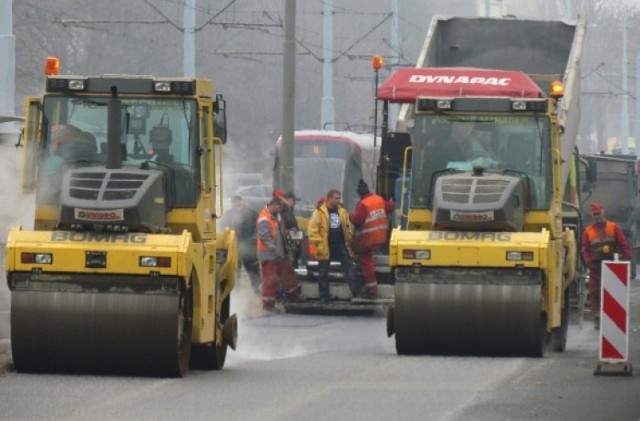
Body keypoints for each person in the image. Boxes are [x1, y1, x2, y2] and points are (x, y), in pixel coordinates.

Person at [581, 202, 631, 330]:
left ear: (603, 213)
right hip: (595, 265)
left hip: (612, 264)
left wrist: (626, 258)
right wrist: (588, 261)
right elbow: (585, 249)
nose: (597, 216)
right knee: (595, 292)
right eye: (595, 214)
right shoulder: (588, 231)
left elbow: (623, 243)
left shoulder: (614, 227)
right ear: (592, 215)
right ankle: (597, 317)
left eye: (598, 213)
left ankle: (613, 316)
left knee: (613, 291)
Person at [308, 189, 358, 303]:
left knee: (350, 267)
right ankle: (324, 297)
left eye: (339, 198)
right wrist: (319, 244)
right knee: (323, 272)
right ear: (329, 198)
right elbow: (312, 230)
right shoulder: (319, 212)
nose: (338, 200)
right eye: (336, 198)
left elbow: (347, 227)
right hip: (326, 246)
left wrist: (349, 240)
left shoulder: (342, 211)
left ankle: (356, 291)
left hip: (340, 246)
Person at [349, 179, 394, 299]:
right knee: (369, 262)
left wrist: (349, 216)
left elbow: (358, 221)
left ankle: (372, 291)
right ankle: (370, 289)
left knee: (367, 265)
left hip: (367, 239)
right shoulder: (379, 199)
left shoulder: (363, 204)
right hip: (380, 236)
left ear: (360, 194)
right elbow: (390, 207)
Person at [256, 195, 300, 309]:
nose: (281, 210)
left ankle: (294, 298)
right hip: (269, 255)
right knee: (270, 280)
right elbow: (264, 237)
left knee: (288, 274)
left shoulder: (276, 216)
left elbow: (281, 232)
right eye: (280, 207)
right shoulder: (264, 219)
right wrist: (274, 248)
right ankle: (268, 305)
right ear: (274, 205)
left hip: (279, 254)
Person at [229, 195, 261, 293]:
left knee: (254, 271)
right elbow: (223, 228)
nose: (238, 204)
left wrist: (255, 236)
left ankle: (257, 290)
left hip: (250, 247)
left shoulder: (251, 213)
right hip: (234, 248)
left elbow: (259, 226)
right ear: (232, 204)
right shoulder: (228, 215)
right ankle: (234, 292)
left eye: (239, 201)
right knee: (234, 272)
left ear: (242, 202)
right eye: (235, 202)